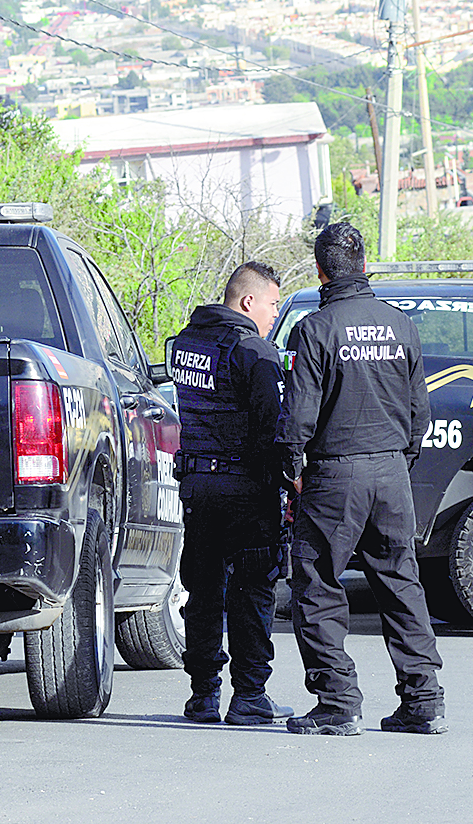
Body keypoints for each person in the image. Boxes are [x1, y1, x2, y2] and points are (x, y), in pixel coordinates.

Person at [276, 222, 446, 736]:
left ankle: (337, 702)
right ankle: (424, 701)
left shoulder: (315, 329)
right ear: (365, 265)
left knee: (317, 585)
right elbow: (419, 413)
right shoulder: (401, 326)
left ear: (320, 271)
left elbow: (298, 416)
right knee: (401, 584)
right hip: (391, 472)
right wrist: (398, 462)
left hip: (335, 474)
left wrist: (292, 469)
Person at [170, 261, 294, 726]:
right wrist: (288, 480)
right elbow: (273, 427)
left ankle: (202, 695)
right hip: (246, 490)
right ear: (248, 301)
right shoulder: (253, 351)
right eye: (272, 304)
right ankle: (250, 696)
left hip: (198, 487)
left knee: (203, 592)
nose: (274, 314)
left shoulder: (186, 343)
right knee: (253, 592)